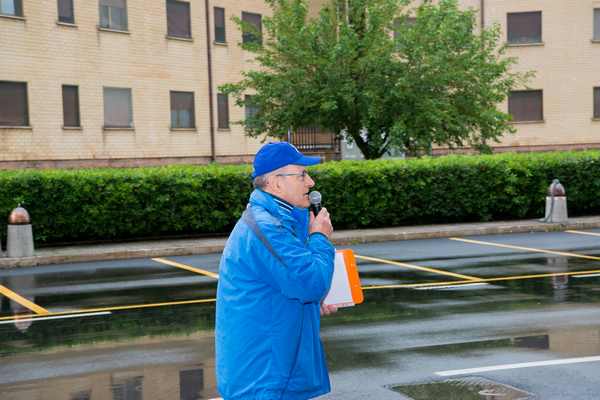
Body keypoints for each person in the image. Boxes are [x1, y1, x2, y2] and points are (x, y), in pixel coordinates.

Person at [216, 141, 337, 400]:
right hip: (265, 376)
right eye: (302, 174)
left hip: (278, 368)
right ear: (276, 182)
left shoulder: (279, 221)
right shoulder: (268, 227)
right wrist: (319, 238)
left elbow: (291, 287)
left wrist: (314, 301)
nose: (311, 183)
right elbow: (311, 284)